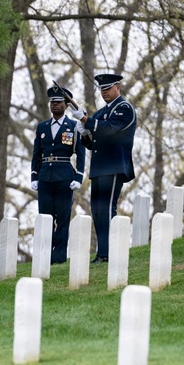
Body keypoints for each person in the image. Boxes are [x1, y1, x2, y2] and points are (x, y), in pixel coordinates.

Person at [72, 73, 136, 263]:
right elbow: (92, 143)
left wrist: (85, 119)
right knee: (98, 211)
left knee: (108, 209)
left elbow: (109, 129)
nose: (104, 92)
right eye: (102, 89)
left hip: (114, 165)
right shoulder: (100, 113)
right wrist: (84, 134)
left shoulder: (124, 108)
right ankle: (102, 252)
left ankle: (108, 252)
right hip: (99, 168)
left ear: (118, 87)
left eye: (107, 88)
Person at [31, 84, 87, 263]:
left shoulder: (74, 126)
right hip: (45, 177)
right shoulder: (42, 127)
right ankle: (44, 256)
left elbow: (81, 153)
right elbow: (36, 154)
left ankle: (59, 256)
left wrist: (79, 176)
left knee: (62, 218)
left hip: (64, 177)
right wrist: (34, 176)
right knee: (45, 218)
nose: (55, 105)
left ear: (66, 105)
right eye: (52, 102)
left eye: (59, 102)